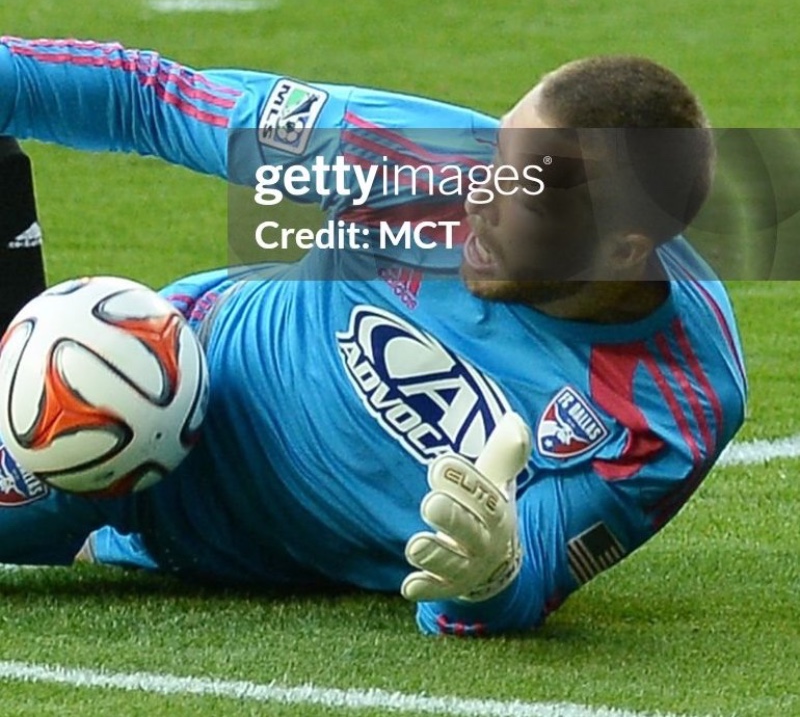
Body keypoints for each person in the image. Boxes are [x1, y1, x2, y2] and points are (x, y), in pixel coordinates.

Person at [0, 36, 747, 636]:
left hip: (207, 536)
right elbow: (149, 98)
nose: (481, 200)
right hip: (138, 390)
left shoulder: (675, 404)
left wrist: (487, 574)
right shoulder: (412, 155)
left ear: (622, 250)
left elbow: (508, 587)